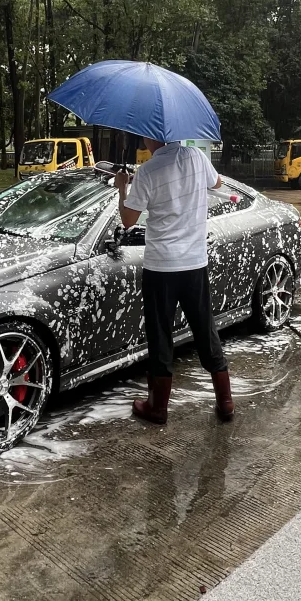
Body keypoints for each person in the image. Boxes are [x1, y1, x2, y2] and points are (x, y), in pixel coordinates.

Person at [115, 140, 232, 424]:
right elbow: (216, 183)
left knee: (161, 334)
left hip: (161, 266)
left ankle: (157, 407)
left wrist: (122, 186)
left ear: (151, 137)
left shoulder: (147, 170)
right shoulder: (196, 156)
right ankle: (225, 401)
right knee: (205, 329)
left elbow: (128, 219)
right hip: (194, 263)